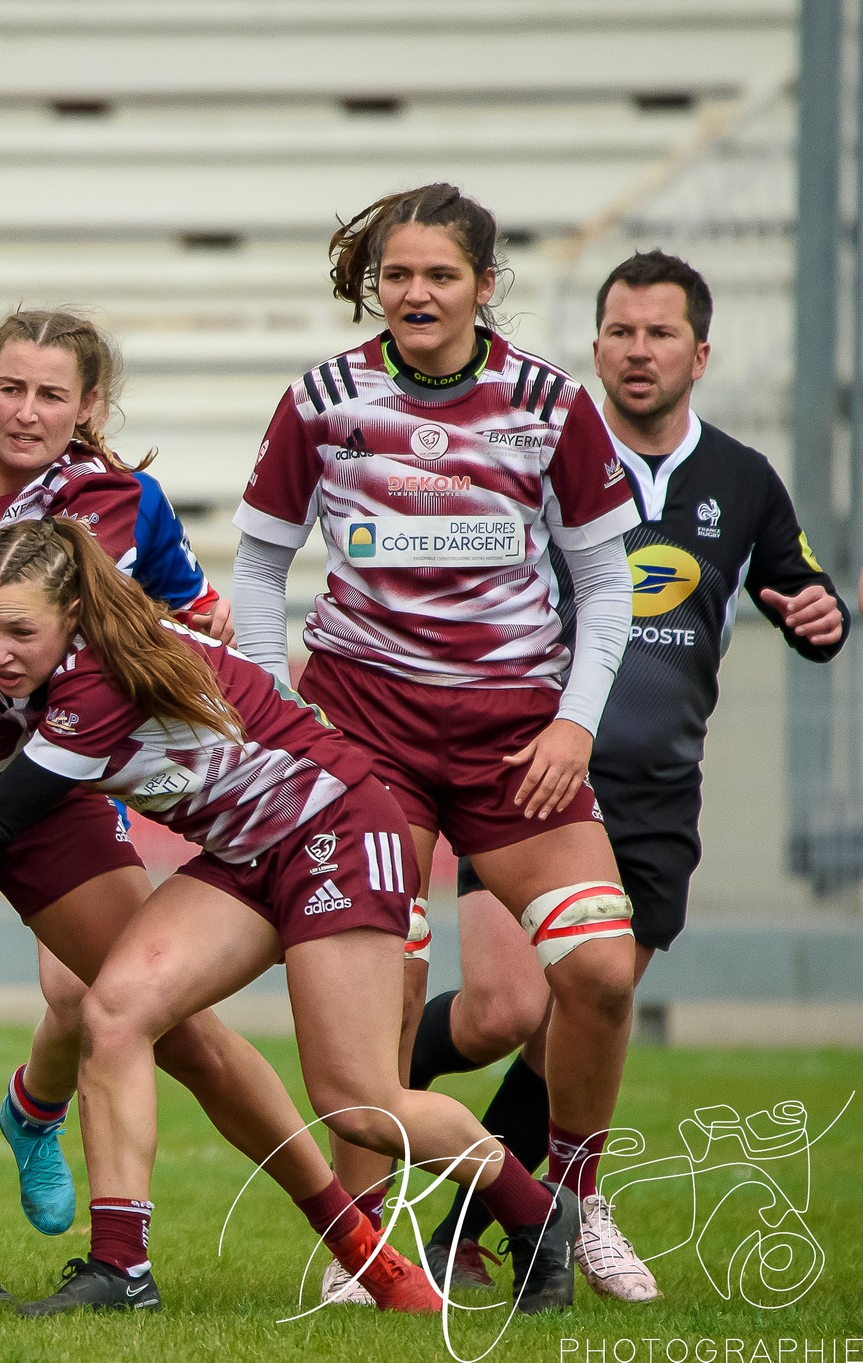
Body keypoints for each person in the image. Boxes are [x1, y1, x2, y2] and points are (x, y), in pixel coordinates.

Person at [0, 517, 583, 1316]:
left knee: (357, 1101)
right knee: (112, 1011)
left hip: (338, 830)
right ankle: (121, 1270)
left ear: (71, 614)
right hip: (250, 853)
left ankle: (538, 1212)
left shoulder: (95, 676)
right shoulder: (9, 681)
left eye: (19, 630)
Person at [228, 183, 642, 1306]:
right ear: (376, 285)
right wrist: (277, 714)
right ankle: (364, 1255)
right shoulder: (320, 399)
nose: (415, 292)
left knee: (600, 967)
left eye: (438, 274)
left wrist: (572, 719)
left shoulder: (549, 403)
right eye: (397, 274)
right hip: (367, 739)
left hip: (518, 737)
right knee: (380, 999)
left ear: (482, 286)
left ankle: (577, 1198)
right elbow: (258, 568)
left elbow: (607, 583)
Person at [412, 252, 849, 1299]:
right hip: (526, 777)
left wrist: (819, 617)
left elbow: (801, 593)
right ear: (595, 344)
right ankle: (377, 1067)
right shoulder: (539, 459)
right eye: (618, 331)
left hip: (656, 791)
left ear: (699, 352)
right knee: (501, 1012)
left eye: (658, 334)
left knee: (580, 1012)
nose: (636, 350)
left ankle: (542, 1211)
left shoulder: (740, 480)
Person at [0, 309, 233, 1278]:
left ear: (88, 406)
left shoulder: (109, 497)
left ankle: (31, 1111)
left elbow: (117, 604)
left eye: (51, 394)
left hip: (47, 771)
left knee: (94, 990)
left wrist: (202, 626)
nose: (23, 412)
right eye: (8, 388)